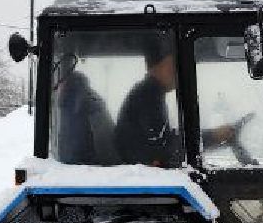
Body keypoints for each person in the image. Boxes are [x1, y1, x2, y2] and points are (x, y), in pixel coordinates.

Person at [114, 35, 237, 167]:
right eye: (174, 66)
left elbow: (164, 141)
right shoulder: (148, 96)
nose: (177, 72)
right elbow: (163, 148)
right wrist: (213, 136)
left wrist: (213, 136)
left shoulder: (148, 93)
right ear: (161, 65)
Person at [51, 60, 115, 165]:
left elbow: (102, 139)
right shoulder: (68, 107)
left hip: (87, 166)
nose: (58, 87)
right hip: (86, 166)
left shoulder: (85, 105)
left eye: (61, 83)